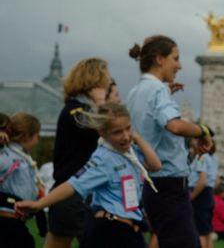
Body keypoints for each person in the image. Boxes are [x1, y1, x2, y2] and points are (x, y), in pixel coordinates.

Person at [15, 103, 161, 248]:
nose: (125, 136)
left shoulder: (130, 152)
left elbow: (155, 165)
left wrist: (137, 138)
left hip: (129, 230)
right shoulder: (103, 159)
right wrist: (39, 204)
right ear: (102, 133)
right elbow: (72, 184)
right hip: (110, 232)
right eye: (117, 132)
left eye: (128, 128)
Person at [127, 35, 214, 248]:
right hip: (169, 187)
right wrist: (203, 130)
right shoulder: (157, 90)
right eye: (175, 58)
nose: (179, 65)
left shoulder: (134, 92)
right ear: (159, 59)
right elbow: (174, 125)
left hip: (153, 185)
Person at [47, 57, 110, 248]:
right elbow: (104, 129)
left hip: (74, 192)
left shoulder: (77, 109)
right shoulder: (76, 111)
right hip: (73, 193)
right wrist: (100, 101)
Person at [0, 113, 42, 248]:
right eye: (37, 135)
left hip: (16, 220)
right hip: (7, 220)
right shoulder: (7, 155)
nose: (38, 140)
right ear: (27, 136)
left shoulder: (21, 156)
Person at [189, 140, 218, 248]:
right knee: (207, 231)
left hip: (200, 194)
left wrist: (191, 197)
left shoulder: (202, 158)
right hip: (208, 193)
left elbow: (202, 181)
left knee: (200, 231)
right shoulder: (213, 158)